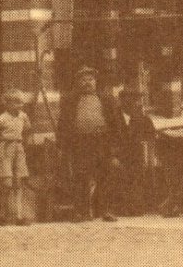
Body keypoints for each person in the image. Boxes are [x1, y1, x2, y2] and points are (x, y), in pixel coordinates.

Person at [58, 67, 123, 222]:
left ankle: (105, 210)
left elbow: (117, 124)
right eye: (83, 79)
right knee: (81, 177)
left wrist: (115, 147)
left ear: (96, 81)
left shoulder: (106, 99)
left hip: (102, 142)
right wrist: (62, 146)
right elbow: (63, 124)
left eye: (90, 79)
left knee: (105, 176)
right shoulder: (70, 101)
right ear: (78, 82)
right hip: (80, 143)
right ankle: (82, 212)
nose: (87, 83)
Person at [0, 90, 33, 225]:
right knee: (6, 183)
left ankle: (19, 216)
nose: (19, 105)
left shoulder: (23, 117)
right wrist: (4, 143)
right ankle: (3, 214)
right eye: (15, 102)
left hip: (18, 149)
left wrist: (21, 144)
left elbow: (27, 130)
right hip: (5, 149)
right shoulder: (1, 118)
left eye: (21, 102)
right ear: (7, 104)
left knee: (19, 182)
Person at [114, 87, 160, 215]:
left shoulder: (144, 120)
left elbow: (151, 139)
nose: (137, 103)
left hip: (137, 157)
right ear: (122, 102)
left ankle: (139, 206)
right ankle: (120, 207)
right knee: (117, 170)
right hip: (118, 156)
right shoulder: (113, 119)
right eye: (133, 100)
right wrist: (113, 156)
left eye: (137, 100)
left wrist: (150, 158)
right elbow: (108, 139)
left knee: (142, 172)